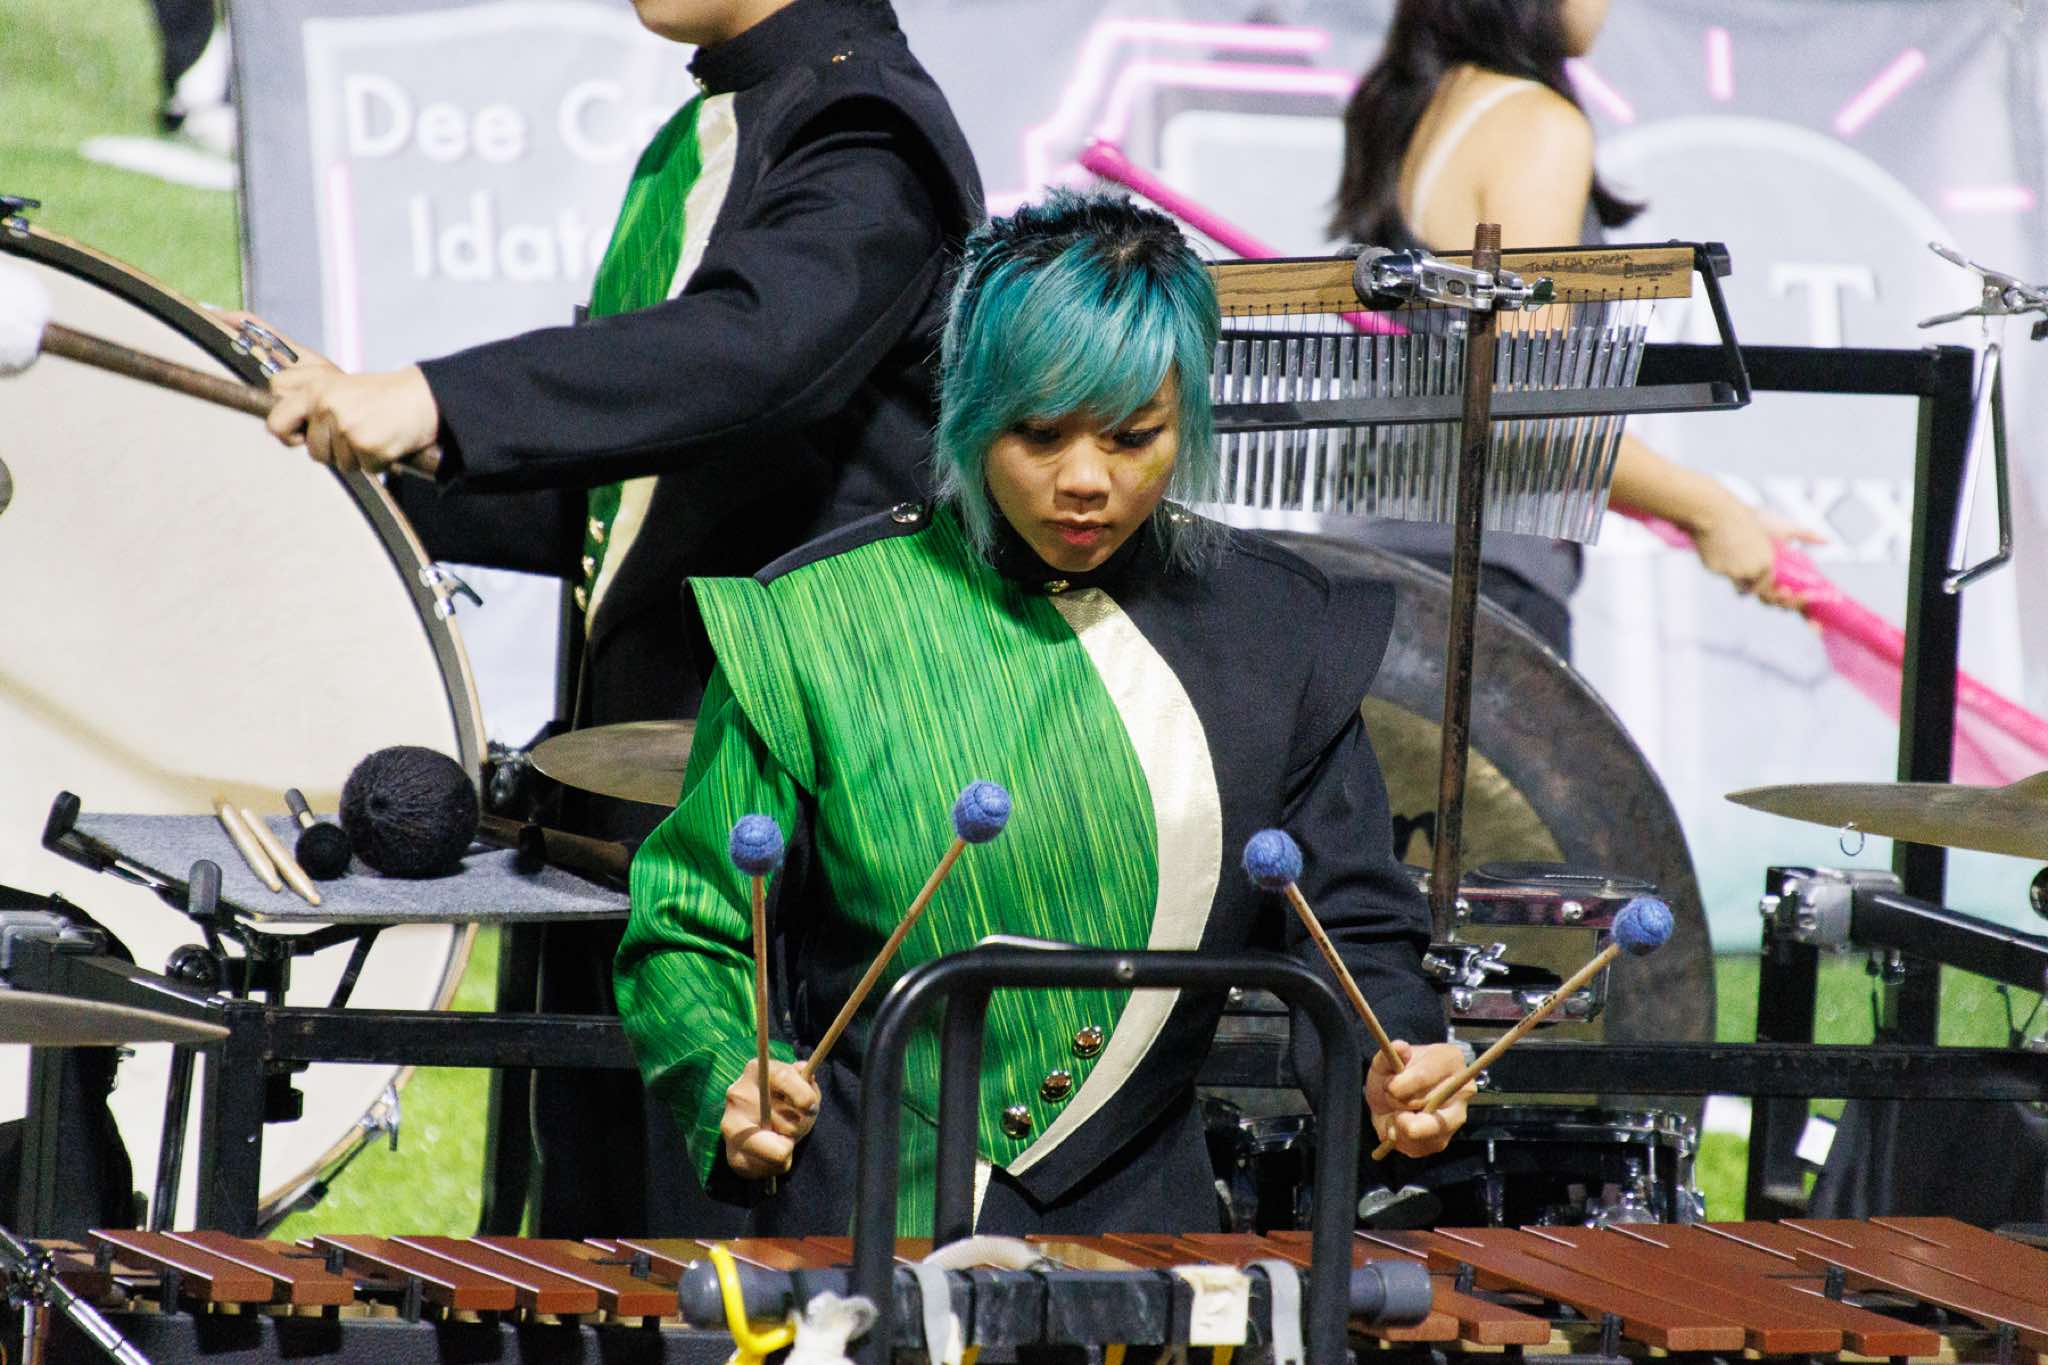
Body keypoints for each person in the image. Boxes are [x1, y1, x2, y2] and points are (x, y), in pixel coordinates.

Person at [615, 192, 1472, 1235]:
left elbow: (1353, 927)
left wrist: (1390, 1051)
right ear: (969, 412)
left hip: (1142, 1214)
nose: (1084, 481)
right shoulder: (808, 621)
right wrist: (727, 1071)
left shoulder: (1275, 628)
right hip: (864, 1201)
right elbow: (690, 925)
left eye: (1133, 436)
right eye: (1038, 433)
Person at [262, 0, 982, 1236]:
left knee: (711, 1270)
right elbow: (643, 491)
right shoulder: (726, 122)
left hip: (775, 848)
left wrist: (440, 400)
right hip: (638, 803)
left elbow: (751, 353)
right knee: (588, 1243)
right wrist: (373, 471)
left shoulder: (866, 134)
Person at [1329, 0, 1817, 656]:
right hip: (1473, 595)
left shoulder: (1425, 108)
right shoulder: (1532, 123)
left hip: (1364, 585)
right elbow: (1528, 410)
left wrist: (1723, 519)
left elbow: (1490, 402)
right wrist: (1711, 509)